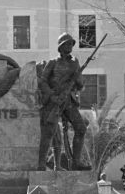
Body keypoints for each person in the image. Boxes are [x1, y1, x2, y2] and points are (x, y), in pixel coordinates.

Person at [36, 33, 89, 171]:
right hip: (54, 101)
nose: (70, 46)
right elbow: (42, 81)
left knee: (81, 128)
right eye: (67, 43)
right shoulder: (53, 63)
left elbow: (80, 85)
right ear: (61, 46)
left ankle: (75, 162)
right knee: (48, 132)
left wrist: (78, 78)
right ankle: (41, 164)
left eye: (71, 43)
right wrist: (51, 95)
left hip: (68, 101)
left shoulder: (74, 63)